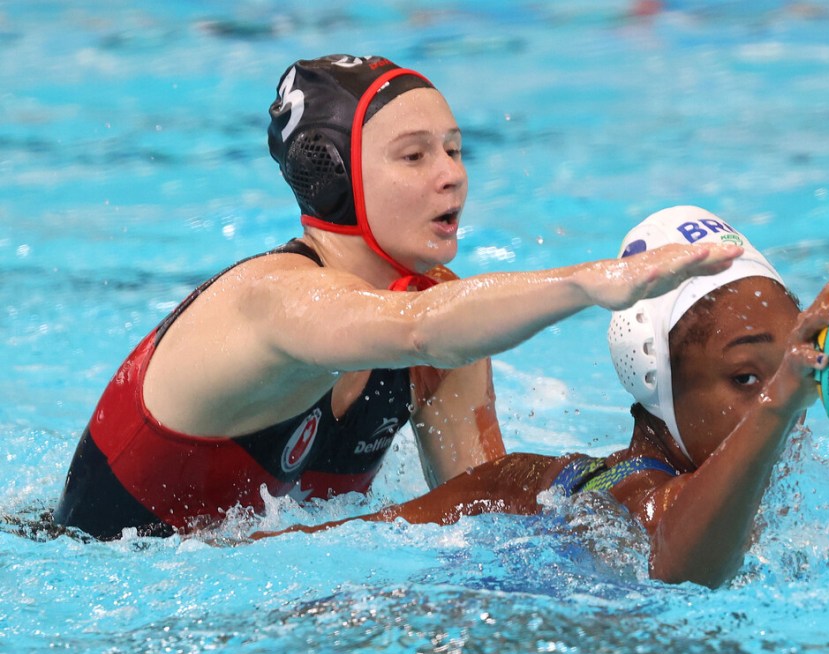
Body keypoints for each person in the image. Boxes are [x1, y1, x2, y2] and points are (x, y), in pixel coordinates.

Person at [54, 56, 741, 541]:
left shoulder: (445, 316)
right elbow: (415, 330)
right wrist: (588, 283)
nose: (452, 178)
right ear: (335, 180)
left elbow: (484, 510)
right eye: (414, 157)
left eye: (454, 150)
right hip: (94, 624)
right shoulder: (266, 302)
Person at [254, 206, 829, 588]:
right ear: (656, 384)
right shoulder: (631, 494)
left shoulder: (532, 483)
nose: (782, 395)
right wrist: (778, 402)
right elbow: (679, 569)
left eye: (794, 369)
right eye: (746, 379)